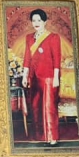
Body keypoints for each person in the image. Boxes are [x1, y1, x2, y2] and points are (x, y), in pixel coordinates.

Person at [21, 8, 61, 145]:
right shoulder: (29, 38)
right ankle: (40, 136)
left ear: (44, 21)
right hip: (34, 77)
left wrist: (56, 77)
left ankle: (52, 137)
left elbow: (57, 58)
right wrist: (25, 76)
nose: (36, 23)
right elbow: (27, 58)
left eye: (39, 20)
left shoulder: (53, 37)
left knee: (49, 107)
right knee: (36, 107)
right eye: (34, 20)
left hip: (49, 77)